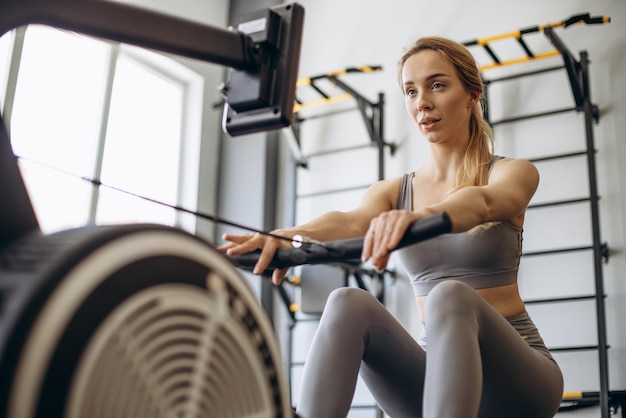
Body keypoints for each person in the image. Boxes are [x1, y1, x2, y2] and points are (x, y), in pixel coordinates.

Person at [219, 36, 563, 418]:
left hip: (519, 383)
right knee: (347, 302)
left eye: (437, 85)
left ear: (472, 95)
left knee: (451, 294)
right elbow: (349, 221)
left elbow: (482, 202)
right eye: (411, 91)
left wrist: (422, 217)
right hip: (434, 383)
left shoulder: (511, 172)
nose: (422, 102)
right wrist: (287, 235)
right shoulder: (393, 191)